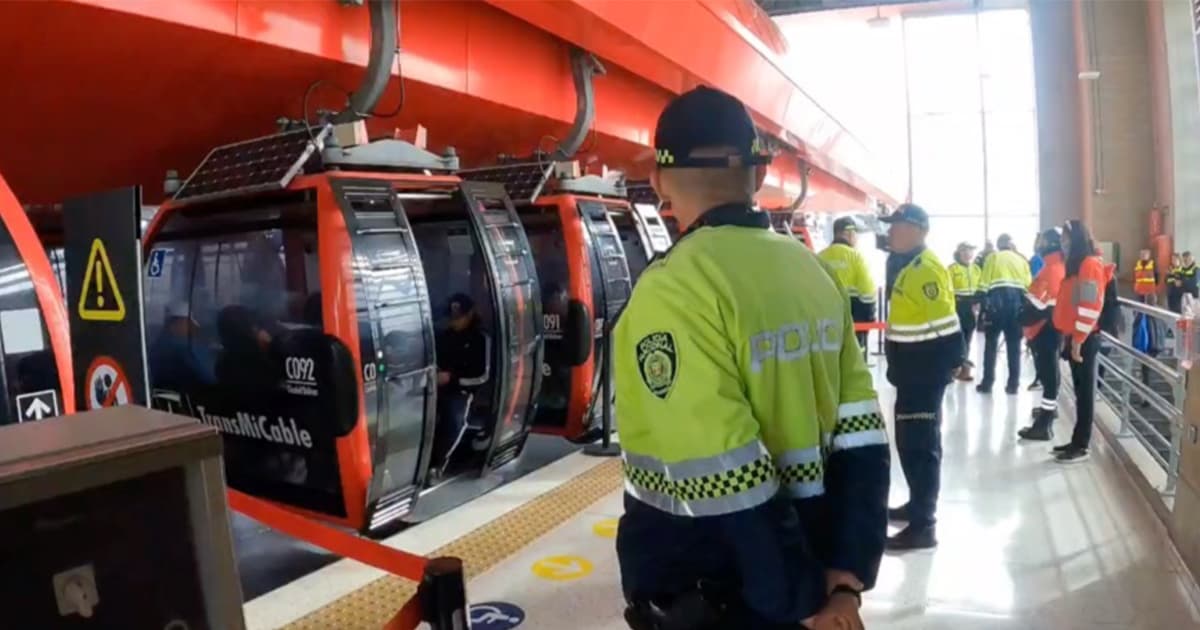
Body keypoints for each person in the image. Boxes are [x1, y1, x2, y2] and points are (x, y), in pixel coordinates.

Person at [616, 85, 888, 630]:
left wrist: (801, 601)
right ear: (759, 176)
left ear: (658, 182)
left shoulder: (674, 290)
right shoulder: (811, 272)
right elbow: (863, 434)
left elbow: (728, 475)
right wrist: (845, 575)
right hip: (808, 570)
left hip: (724, 588)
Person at [881, 204, 963, 551]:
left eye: (896, 226)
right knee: (909, 443)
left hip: (924, 375)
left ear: (917, 230)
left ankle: (923, 525)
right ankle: (917, 506)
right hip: (911, 373)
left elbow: (947, 326)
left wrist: (952, 365)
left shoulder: (925, 270)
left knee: (921, 447)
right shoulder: (906, 266)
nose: (890, 233)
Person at [1052, 220, 1114, 463]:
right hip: (1076, 336)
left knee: (1085, 392)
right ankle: (1077, 439)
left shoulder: (1089, 265)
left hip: (1085, 338)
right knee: (1080, 391)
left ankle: (1081, 445)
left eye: (1066, 238)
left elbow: (1090, 305)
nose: (1062, 243)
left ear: (1076, 238)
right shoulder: (1078, 265)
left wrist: (1078, 338)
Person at [1017, 228, 1066, 441]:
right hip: (1048, 328)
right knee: (1049, 374)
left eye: (1041, 240)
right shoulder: (1054, 266)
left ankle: (1044, 424)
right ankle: (1047, 411)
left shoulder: (1052, 269)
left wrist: (1022, 314)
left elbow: (1039, 304)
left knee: (1048, 374)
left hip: (1045, 329)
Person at [434, 293, 490, 468]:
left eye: (459, 318)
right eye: (451, 318)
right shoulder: (444, 336)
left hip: (464, 392)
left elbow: (482, 376)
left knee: (454, 420)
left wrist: (452, 380)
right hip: (436, 387)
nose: (454, 322)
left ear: (470, 314)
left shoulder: (480, 339)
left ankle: (439, 463)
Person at [976, 233, 1032, 395]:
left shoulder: (993, 258)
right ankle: (1013, 385)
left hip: (996, 305)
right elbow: (1028, 287)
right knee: (1014, 346)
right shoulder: (1021, 260)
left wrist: (981, 303)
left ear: (999, 245)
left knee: (991, 344)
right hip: (1016, 306)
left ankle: (987, 383)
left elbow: (984, 282)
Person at [819, 216, 877, 350]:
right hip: (853, 325)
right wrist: (867, 323)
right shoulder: (856, 257)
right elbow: (868, 295)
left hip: (824, 326)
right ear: (848, 233)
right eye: (856, 233)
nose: (857, 238)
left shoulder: (819, 257)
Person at [149, 301, 216, 390]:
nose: (193, 328)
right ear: (177, 323)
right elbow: (210, 378)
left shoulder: (159, 342)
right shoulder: (184, 347)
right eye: (188, 323)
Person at [947, 242, 981, 381]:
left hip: (971, 307)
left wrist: (978, 304)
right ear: (959, 252)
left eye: (971, 251)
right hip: (956, 305)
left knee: (968, 338)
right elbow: (946, 289)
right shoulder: (952, 269)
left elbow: (979, 288)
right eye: (965, 251)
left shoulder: (976, 269)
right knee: (955, 338)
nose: (968, 254)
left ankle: (964, 369)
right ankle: (951, 369)